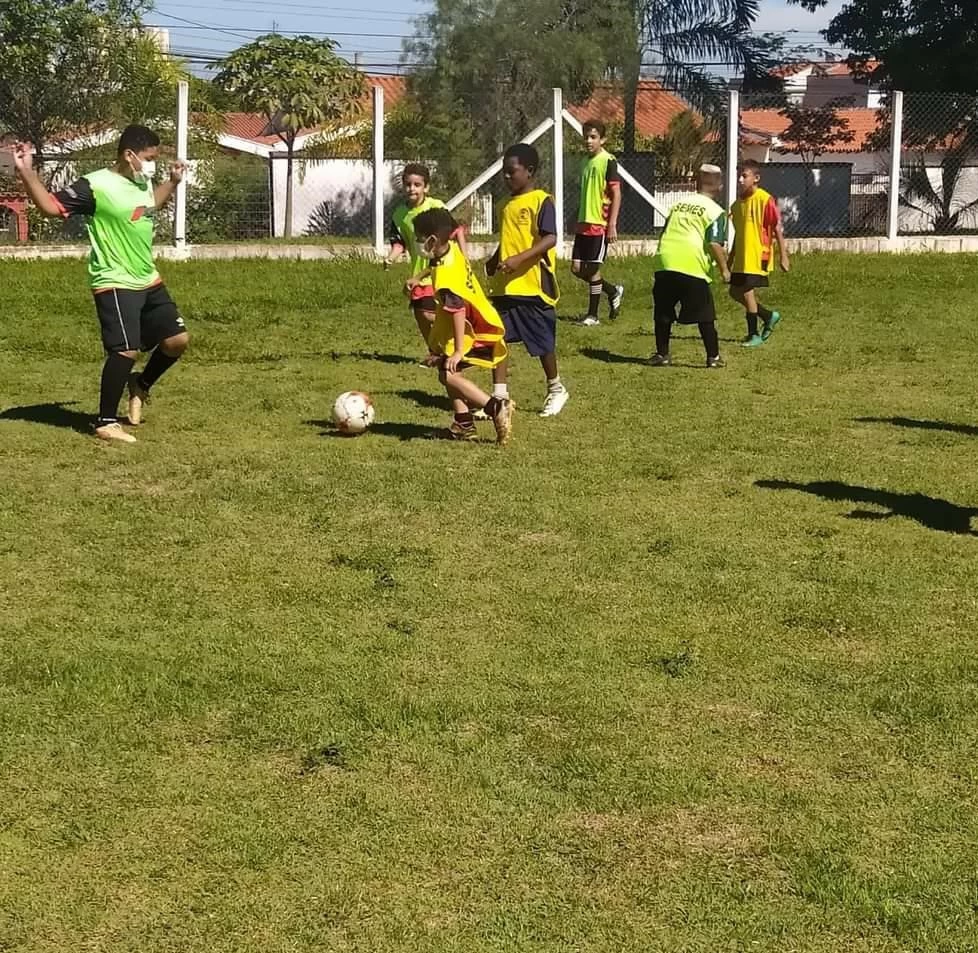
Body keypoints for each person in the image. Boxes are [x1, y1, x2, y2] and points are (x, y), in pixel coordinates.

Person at [12, 125, 188, 444]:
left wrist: (171, 183)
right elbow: (50, 207)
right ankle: (106, 422)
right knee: (125, 350)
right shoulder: (95, 185)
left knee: (177, 341)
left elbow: (149, 207)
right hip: (114, 280)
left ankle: (141, 385)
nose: (153, 165)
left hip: (148, 277)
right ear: (129, 155)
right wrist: (26, 171)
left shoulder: (141, 180)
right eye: (149, 158)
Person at [413, 207, 514, 445]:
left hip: (470, 330)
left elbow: (457, 311)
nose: (415, 242)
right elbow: (436, 264)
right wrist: (419, 277)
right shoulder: (451, 250)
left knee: (449, 375)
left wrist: (458, 351)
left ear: (431, 240)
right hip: (471, 323)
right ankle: (463, 423)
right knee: (447, 374)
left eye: (418, 238)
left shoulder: (447, 279)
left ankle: (495, 407)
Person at [487, 143, 569, 417]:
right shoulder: (505, 205)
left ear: (530, 171)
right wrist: (494, 258)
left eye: (512, 172)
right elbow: (508, 242)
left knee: (543, 343)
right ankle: (499, 398)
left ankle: (556, 388)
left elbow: (550, 238)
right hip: (504, 285)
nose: (507, 177)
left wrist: (520, 260)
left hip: (532, 286)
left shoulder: (541, 201)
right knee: (496, 338)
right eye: (504, 173)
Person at [649, 165, 730, 368]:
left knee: (663, 312)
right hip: (691, 263)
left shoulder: (679, 204)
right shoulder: (715, 211)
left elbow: (666, 230)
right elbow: (714, 243)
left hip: (665, 261)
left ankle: (662, 354)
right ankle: (713, 357)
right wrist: (725, 270)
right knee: (705, 315)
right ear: (719, 186)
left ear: (697, 183)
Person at [384, 163, 454, 347]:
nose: (411, 189)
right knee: (420, 314)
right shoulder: (400, 214)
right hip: (419, 273)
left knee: (429, 313)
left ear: (426, 187)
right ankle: (434, 351)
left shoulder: (436, 207)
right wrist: (391, 257)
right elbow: (400, 243)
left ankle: (452, 339)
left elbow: (454, 234)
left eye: (417, 185)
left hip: (441, 270)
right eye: (408, 184)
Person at [729, 159, 790, 347]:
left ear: (756, 178)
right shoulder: (736, 205)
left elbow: (776, 228)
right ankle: (769, 316)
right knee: (734, 292)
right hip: (742, 257)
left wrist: (783, 256)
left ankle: (753, 334)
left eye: (744, 175)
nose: (740, 179)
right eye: (739, 175)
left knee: (747, 292)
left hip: (758, 255)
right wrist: (730, 258)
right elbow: (739, 234)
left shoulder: (765, 199)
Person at [572, 119, 624, 326]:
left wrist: (611, 224)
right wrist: (574, 218)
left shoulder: (608, 160)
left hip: (599, 224)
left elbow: (616, 193)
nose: (588, 141)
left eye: (593, 137)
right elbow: (585, 194)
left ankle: (593, 315)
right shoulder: (584, 162)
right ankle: (612, 291)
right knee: (576, 269)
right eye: (586, 136)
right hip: (583, 223)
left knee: (593, 270)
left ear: (603, 139)